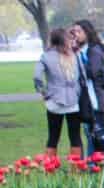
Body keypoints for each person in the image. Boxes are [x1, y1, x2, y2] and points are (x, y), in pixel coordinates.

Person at [33, 28, 82, 162]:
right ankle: (76, 170)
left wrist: (43, 92)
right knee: (75, 137)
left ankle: (50, 170)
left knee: (53, 137)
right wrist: (77, 92)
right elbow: (79, 77)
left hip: (54, 100)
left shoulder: (46, 56)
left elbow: (37, 77)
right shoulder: (73, 55)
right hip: (73, 100)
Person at [73, 20, 104, 155]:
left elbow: (91, 72)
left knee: (98, 133)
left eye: (79, 32)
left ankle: (103, 162)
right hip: (84, 100)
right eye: (74, 32)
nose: (76, 35)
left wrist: (77, 56)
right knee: (90, 134)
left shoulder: (94, 50)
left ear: (87, 33)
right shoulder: (79, 50)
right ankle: (95, 163)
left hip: (93, 99)